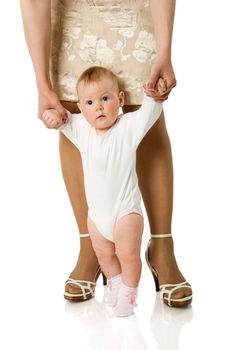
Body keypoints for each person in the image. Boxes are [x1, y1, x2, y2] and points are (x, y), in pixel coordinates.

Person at [20, 0, 193, 307]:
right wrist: (41, 84)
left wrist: (165, 50)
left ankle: (162, 247)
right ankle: (92, 245)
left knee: (146, 107)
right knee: (72, 111)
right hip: (73, 12)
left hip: (133, 11)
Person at [42, 66, 164, 317]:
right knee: (105, 256)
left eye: (105, 99)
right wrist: (52, 117)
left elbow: (149, 113)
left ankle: (129, 295)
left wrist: (153, 95)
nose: (98, 107)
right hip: (97, 217)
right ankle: (116, 284)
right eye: (89, 102)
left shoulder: (127, 128)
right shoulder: (81, 130)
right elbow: (60, 120)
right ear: (81, 107)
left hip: (125, 212)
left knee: (128, 256)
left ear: (119, 100)